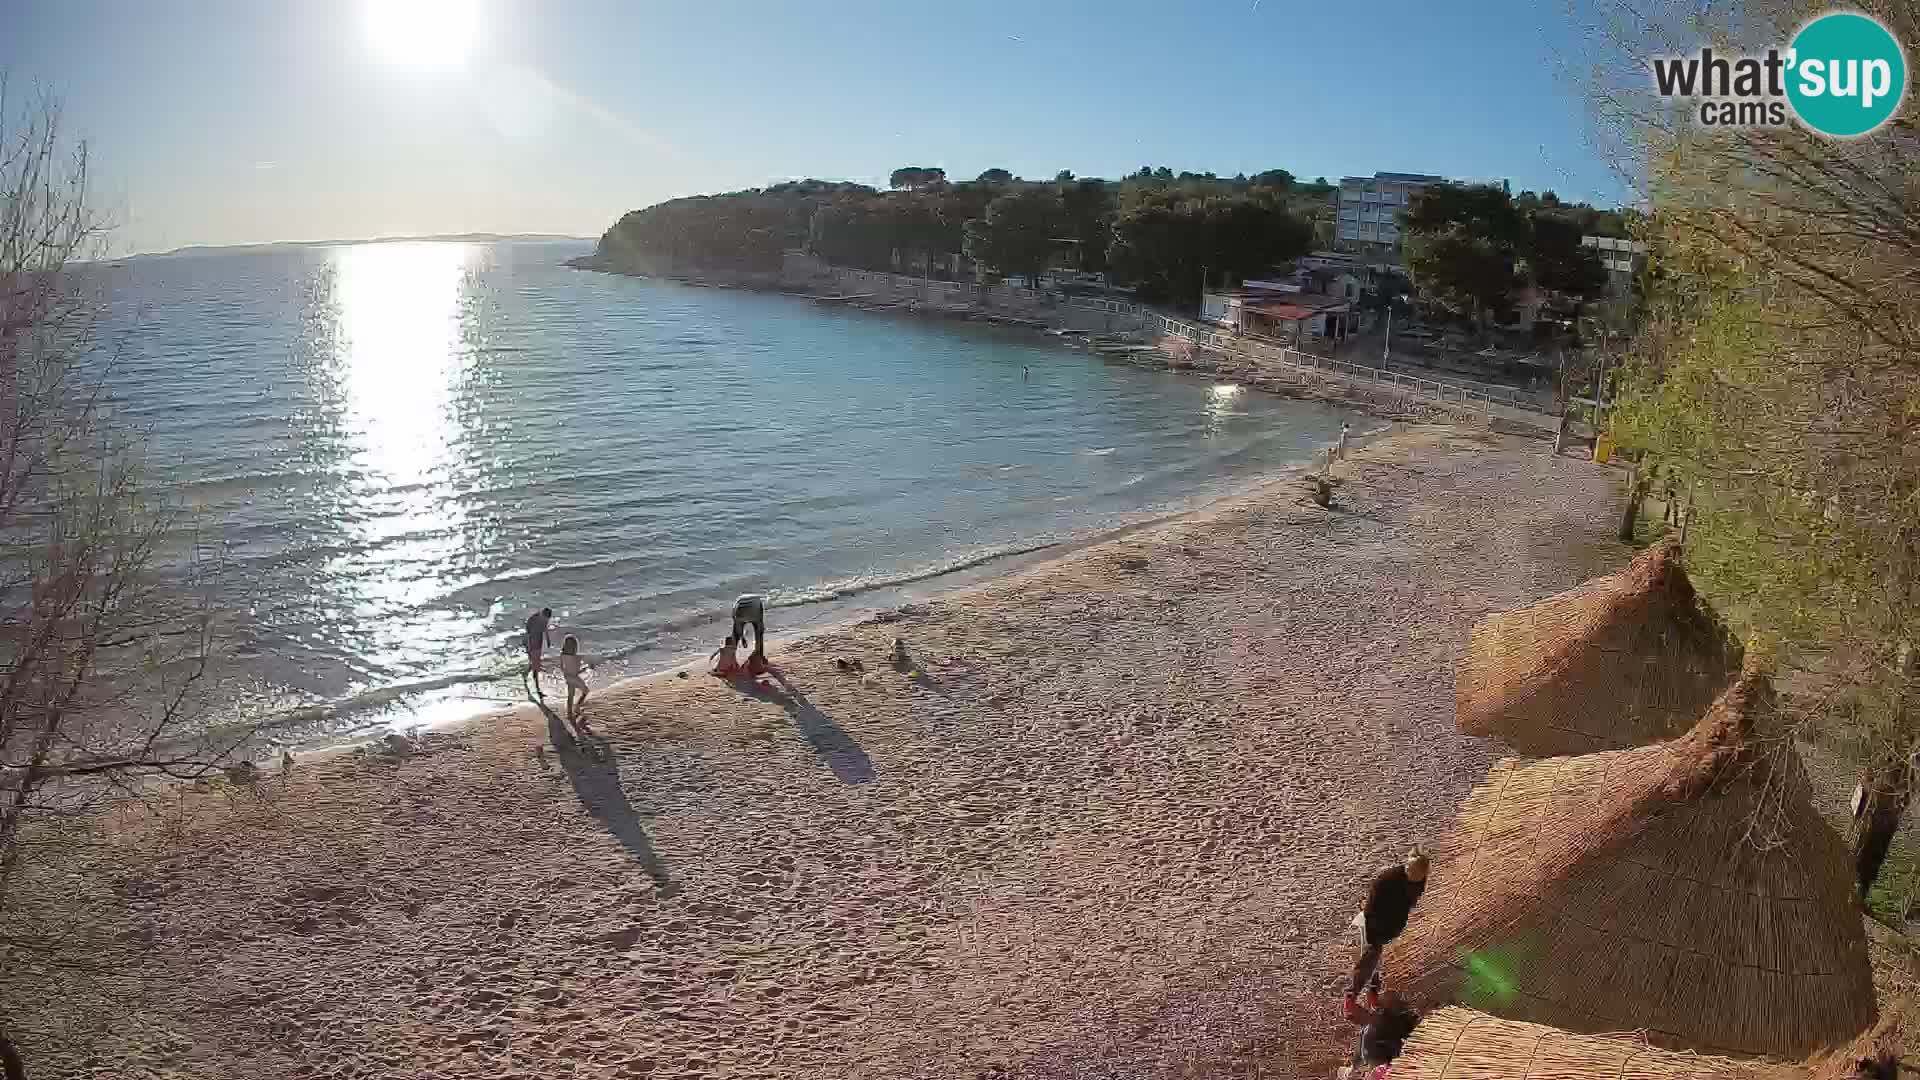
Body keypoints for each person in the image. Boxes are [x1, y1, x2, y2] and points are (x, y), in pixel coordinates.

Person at [1345, 847, 1429, 1004]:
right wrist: (1374, 935)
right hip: (1372, 925)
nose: (1411, 874)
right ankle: (1351, 998)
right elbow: (1371, 909)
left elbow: (1411, 901)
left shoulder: (1419, 880)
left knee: (1377, 962)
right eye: (1408, 870)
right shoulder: (1386, 881)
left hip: (1388, 927)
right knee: (1369, 959)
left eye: (1417, 875)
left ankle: (1372, 994)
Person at [731, 593, 768, 668]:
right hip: (754, 608)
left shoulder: (736, 604)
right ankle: (760, 656)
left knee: (735, 635)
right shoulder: (758, 601)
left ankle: (731, 659)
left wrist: (742, 638)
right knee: (759, 632)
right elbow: (760, 626)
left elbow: (737, 626)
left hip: (739, 609)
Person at [524, 607, 554, 695]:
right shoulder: (532, 620)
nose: (546, 620)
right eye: (545, 618)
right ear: (542, 615)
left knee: (534, 664)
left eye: (547, 619)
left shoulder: (545, 619)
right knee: (536, 666)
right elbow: (528, 634)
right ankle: (537, 689)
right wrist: (529, 647)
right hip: (532, 643)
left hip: (538, 642)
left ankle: (525, 676)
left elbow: (545, 629)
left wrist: (548, 640)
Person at [559, 635, 589, 718]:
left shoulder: (562, 655)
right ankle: (577, 707)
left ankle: (569, 713)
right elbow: (577, 671)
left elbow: (561, 667)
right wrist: (585, 668)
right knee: (586, 691)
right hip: (574, 677)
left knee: (570, 695)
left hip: (567, 677)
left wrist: (566, 673)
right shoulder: (576, 658)